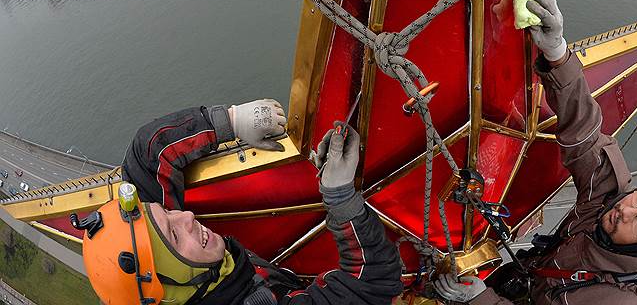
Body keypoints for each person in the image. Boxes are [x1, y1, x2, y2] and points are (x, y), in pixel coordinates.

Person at [433, 0, 637, 305]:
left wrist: (481, 300)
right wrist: (557, 53)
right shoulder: (610, 199)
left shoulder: (612, 300)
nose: (625, 211)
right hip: (520, 279)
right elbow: (584, 133)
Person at [74, 99, 403, 304]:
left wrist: (230, 121)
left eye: (166, 215)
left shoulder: (167, 272)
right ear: (169, 289)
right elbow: (371, 286)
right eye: (174, 235)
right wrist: (340, 195)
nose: (186, 217)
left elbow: (149, 152)